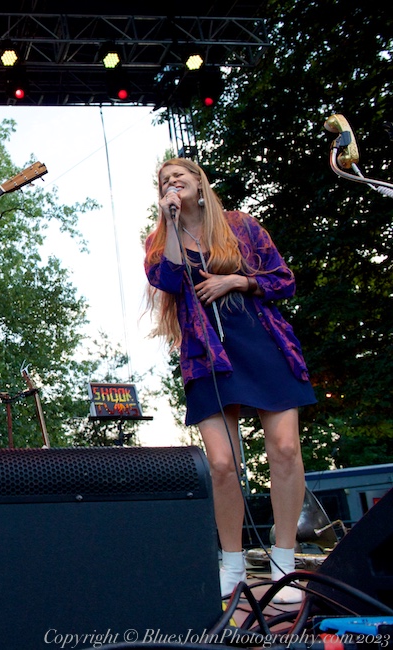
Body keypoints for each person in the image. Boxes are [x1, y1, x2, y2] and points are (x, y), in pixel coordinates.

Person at [144, 157, 315, 604]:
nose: (172, 181)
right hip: (207, 354)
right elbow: (167, 278)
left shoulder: (241, 225)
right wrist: (171, 222)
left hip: (261, 343)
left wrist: (234, 280)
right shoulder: (161, 239)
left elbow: (283, 279)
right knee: (222, 463)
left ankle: (285, 557)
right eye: (164, 180)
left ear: (201, 184)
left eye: (180, 175)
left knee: (284, 448)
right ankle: (232, 562)